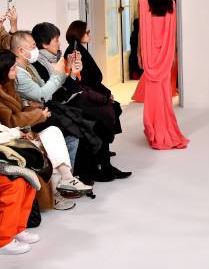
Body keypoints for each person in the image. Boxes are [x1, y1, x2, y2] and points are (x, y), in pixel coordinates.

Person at [0, 49, 92, 206]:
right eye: (13, 67)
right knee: (60, 129)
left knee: (54, 131)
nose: (16, 69)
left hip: (16, 131)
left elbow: (21, 111)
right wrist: (37, 115)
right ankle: (59, 187)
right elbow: (10, 120)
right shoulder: (6, 88)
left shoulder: (9, 85)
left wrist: (33, 112)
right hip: (7, 138)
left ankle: (67, 179)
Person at [136, 0, 188, 150]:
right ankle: (164, 128)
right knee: (165, 96)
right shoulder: (171, 5)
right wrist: (172, 54)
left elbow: (142, 32)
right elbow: (171, 33)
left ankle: (153, 130)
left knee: (152, 97)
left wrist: (139, 54)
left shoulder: (143, 4)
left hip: (150, 56)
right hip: (164, 57)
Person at [64, 20, 123, 136]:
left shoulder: (78, 48)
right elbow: (86, 80)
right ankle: (102, 149)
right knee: (111, 108)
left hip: (91, 90)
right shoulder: (75, 51)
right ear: (79, 33)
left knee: (113, 106)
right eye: (87, 32)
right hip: (87, 93)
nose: (88, 34)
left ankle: (104, 148)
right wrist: (106, 93)